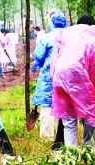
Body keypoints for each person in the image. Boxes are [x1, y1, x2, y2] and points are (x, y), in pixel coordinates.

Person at [51, 12, 95, 148]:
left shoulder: (72, 32)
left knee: (69, 119)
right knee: (93, 115)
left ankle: (71, 154)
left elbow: (55, 59)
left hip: (59, 77)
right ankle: (88, 151)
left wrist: (55, 77)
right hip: (77, 76)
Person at [30, 12, 67, 141]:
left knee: (47, 107)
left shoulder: (47, 38)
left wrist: (38, 65)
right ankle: (62, 139)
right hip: (67, 78)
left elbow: (38, 56)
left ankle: (47, 139)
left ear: (52, 23)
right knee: (65, 106)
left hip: (49, 78)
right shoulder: (70, 37)